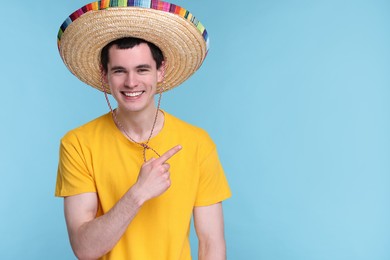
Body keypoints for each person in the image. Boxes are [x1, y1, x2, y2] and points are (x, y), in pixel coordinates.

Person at [55, 1, 231, 260]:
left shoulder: (197, 143)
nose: (131, 82)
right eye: (119, 71)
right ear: (104, 75)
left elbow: (211, 244)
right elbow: (85, 249)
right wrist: (138, 194)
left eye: (142, 69)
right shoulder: (78, 143)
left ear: (161, 71)